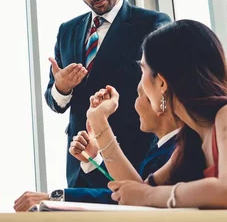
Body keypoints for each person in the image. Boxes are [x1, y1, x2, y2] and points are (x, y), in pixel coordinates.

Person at [44, 0, 172, 188]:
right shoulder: (68, 31)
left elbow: (164, 91)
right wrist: (61, 88)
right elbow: (55, 102)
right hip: (81, 159)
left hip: (133, 157)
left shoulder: (152, 23)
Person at [107, 20, 227, 208]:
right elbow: (138, 190)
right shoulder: (190, 138)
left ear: (161, 83)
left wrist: (148, 195)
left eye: (142, 69)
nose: (140, 82)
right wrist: (99, 124)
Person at [14, 83, 180, 210]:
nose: (134, 105)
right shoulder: (162, 146)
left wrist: (56, 198)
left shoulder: (179, 152)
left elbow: (136, 201)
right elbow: (127, 193)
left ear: (160, 95)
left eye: (138, 95)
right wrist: (93, 159)